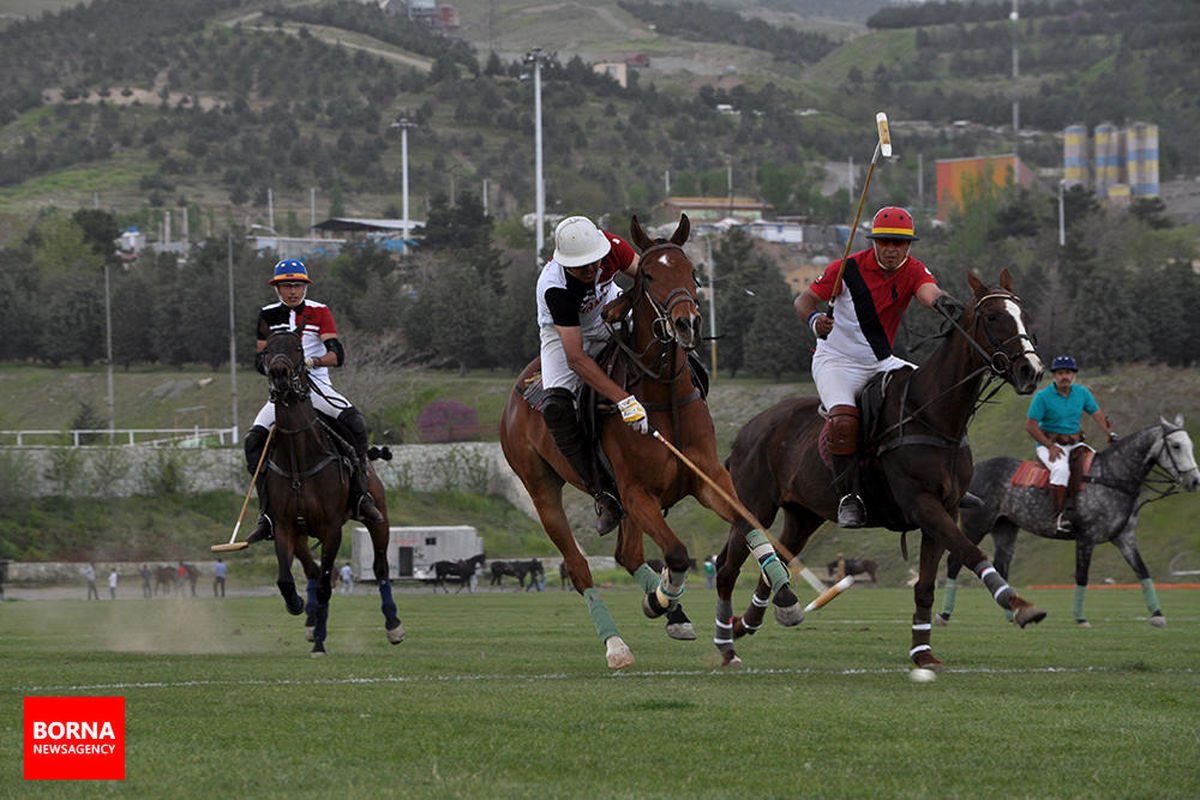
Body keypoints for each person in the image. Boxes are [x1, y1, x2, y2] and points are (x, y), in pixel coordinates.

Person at [794, 206, 964, 528]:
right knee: (843, 421)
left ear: (909, 246)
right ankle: (849, 498)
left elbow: (928, 292)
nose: (891, 249)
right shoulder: (846, 268)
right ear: (874, 242)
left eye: (898, 244)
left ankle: (950, 480)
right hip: (837, 361)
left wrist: (944, 302)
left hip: (881, 361)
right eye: (884, 242)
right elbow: (803, 301)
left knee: (935, 397)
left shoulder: (914, 269)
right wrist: (815, 320)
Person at [243, 258, 383, 544]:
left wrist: (310, 361)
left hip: (318, 387)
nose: (292, 291)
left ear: (305, 286)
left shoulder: (320, 311)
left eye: (297, 285)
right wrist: (273, 367)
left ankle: (361, 496)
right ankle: (267, 513)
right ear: (277, 288)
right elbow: (259, 359)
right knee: (252, 442)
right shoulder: (267, 315)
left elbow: (337, 355)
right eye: (286, 286)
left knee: (355, 423)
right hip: (281, 393)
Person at [536, 215, 648, 534]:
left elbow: (648, 276)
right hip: (566, 334)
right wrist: (624, 400)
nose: (590, 270)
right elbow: (576, 358)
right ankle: (605, 493)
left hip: (608, 306)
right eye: (580, 266)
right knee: (556, 409)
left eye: (593, 263)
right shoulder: (555, 288)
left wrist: (626, 299)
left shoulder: (612, 246)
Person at [1025, 354, 1117, 532]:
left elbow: (1097, 414)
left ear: (1073, 375)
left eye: (1067, 372)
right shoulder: (1042, 397)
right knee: (1061, 470)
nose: (1064, 376)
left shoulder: (1082, 393)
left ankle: (1094, 509)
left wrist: (1109, 433)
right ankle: (1057, 517)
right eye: (1060, 373)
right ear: (1054, 376)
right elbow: (1030, 426)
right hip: (1049, 445)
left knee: (1098, 464)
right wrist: (1049, 446)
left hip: (1075, 443)